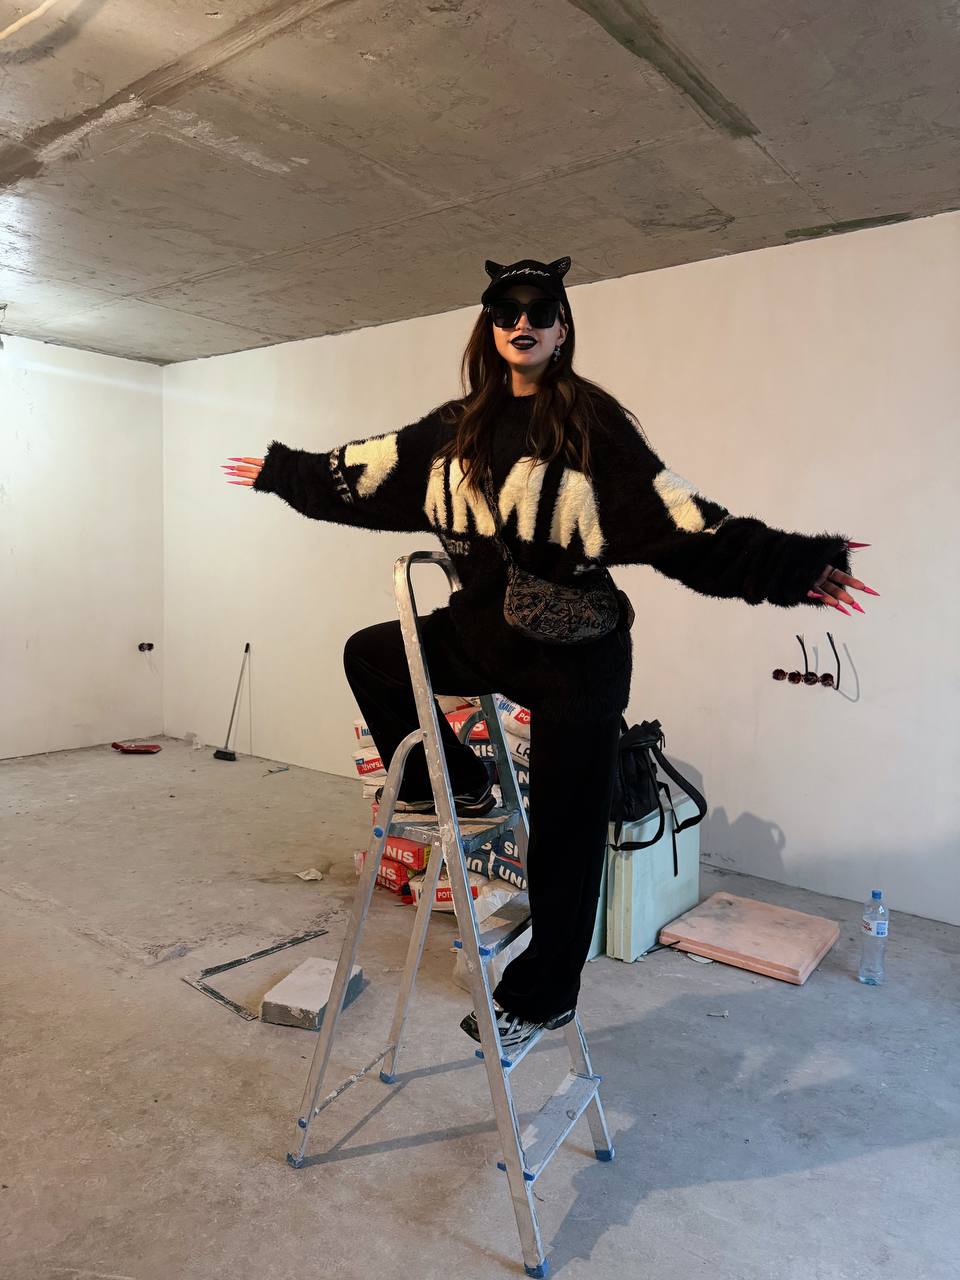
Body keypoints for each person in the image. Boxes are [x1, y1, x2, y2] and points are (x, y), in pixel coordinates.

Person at [223, 255, 877, 1052]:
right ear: (490, 327)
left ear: (563, 328)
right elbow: (368, 471)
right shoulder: (454, 430)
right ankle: (455, 785)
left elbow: (681, 522)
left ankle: (544, 997)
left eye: (540, 310)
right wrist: (282, 472)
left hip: (577, 659)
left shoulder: (591, 426)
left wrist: (793, 566)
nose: (523, 323)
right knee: (374, 656)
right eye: (507, 311)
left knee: (567, 841)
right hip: (486, 634)